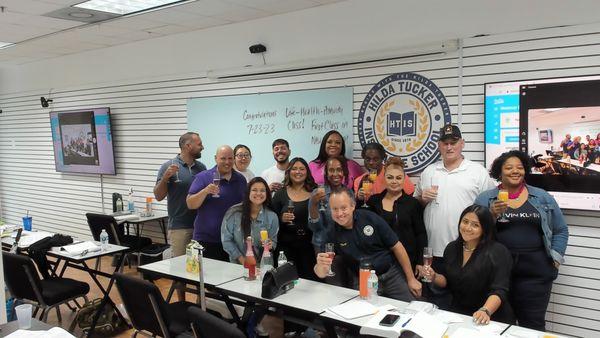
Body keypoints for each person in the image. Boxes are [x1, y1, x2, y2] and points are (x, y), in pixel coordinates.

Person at [474, 150, 569, 331]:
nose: (515, 171)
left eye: (519, 167)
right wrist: (491, 215)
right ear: (499, 172)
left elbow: (561, 229)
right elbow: (472, 232)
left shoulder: (542, 196)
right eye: (509, 168)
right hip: (496, 273)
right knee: (498, 325)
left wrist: (555, 260)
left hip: (535, 275)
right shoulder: (485, 198)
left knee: (532, 326)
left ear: (525, 170)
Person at [313, 188, 422, 301]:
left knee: (411, 306)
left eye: (343, 208)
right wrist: (320, 266)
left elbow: (397, 246)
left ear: (353, 206)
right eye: (335, 209)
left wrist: (411, 279)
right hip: (363, 279)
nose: (340, 213)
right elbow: (320, 273)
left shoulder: (370, 218)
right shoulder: (330, 232)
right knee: (363, 313)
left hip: (390, 274)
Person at [415, 124, 495, 274]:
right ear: (439, 145)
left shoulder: (478, 172)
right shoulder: (429, 171)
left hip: (467, 248)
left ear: (462, 143)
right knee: (435, 294)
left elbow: (489, 209)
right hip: (433, 249)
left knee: (464, 294)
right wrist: (422, 198)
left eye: (454, 143)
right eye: (445, 143)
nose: (449, 147)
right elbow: (415, 205)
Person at [423, 205, 515, 325]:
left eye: (475, 225)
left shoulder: (498, 251)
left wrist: (485, 310)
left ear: (485, 228)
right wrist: (434, 276)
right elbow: (447, 281)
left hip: (491, 317)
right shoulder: (452, 248)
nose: (467, 228)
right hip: (460, 315)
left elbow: (499, 290)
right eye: (465, 222)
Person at [154, 132, 206, 300]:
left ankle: (200, 304)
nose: (202, 147)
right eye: (199, 144)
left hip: (200, 227)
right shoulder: (168, 166)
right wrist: (165, 179)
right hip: (179, 227)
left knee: (200, 269)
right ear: (187, 146)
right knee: (180, 270)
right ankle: (182, 303)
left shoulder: (202, 168)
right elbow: (158, 196)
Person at [187, 145, 246, 261]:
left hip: (232, 242)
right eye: (223, 158)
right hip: (206, 240)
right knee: (205, 277)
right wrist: (205, 191)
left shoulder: (241, 179)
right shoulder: (203, 177)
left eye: (230, 158)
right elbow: (190, 204)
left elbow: (245, 206)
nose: (227, 162)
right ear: (216, 158)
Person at [367, 157, 427, 269]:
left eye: (398, 178)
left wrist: (420, 262)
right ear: (384, 179)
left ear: (404, 179)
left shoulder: (413, 204)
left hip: (407, 262)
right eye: (390, 177)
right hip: (378, 261)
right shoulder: (373, 201)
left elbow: (421, 234)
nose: (394, 181)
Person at [271, 157, 317, 280]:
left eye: (302, 169)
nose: (298, 172)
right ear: (289, 172)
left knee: (309, 284)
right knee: (287, 282)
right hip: (285, 247)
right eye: (294, 169)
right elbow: (271, 219)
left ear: (307, 172)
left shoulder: (315, 191)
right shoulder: (280, 192)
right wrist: (281, 218)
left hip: (309, 247)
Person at [221, 177, 279, 263]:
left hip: (264, 266)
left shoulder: (272, 216)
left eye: (262, 190)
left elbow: (274, 241)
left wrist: (271, 245)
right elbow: (226, 240)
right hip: (239, 265)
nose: (258, 193)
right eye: (254, 190)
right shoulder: (233, 212)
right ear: (248, 192)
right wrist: (243, 260)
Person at [307, 156, 350, 252]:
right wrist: (313, 205)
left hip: (345, 244)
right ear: (326, 173)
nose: (335, 174)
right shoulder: (317, 193)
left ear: (344, 172)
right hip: (323, 245)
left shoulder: (349, 193)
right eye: (331, 170)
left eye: (339, 170)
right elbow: (314, 227)